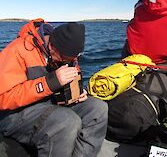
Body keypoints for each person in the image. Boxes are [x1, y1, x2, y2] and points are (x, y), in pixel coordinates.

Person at [0, 18, 108, 157]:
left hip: (51, 104)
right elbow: (3, 98)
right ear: (51, 47)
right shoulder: (17, 51)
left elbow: (72, 72)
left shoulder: (67, 54)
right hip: (15, 115)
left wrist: (78, 91)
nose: (69, 63)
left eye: (73, 59)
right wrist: (49, 83)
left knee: (98, 108)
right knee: (66, 121)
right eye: (65, 59)